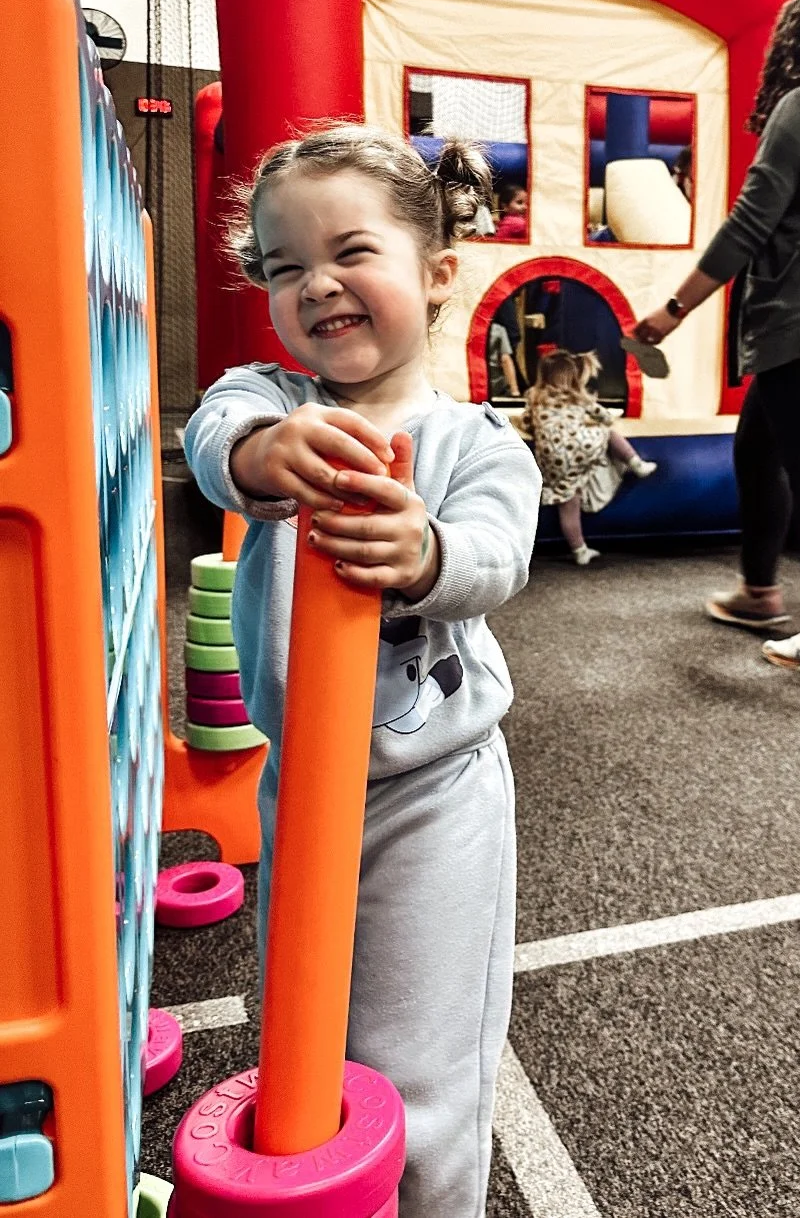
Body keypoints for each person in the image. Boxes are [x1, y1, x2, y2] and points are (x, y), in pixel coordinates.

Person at [184, 123, 542, 1218]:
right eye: (285, 266)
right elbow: (215, 437)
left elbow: (498, 555)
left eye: (351, 253)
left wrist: (425, 553)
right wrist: (262, 455)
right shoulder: (270, 400)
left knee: (422, 1067)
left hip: (434, 795)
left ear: (435, 274)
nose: (317, 284)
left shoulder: (477, 442)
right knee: (307, 1042)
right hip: (301, 786)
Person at [633, 0, 800, 674]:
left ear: (793, 41)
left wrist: (673, 309)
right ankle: (759, 592)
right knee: (758, 450)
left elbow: (750, 222)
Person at [520, 348, 657, 565]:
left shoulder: (534, 396)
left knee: (568, 503)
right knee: (608, 433)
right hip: (579, 447)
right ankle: (635, 462)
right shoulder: (578, 397)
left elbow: (527, 422)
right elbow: (606, 418)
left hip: (551, 459)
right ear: (573, 377)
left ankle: (579, 550)